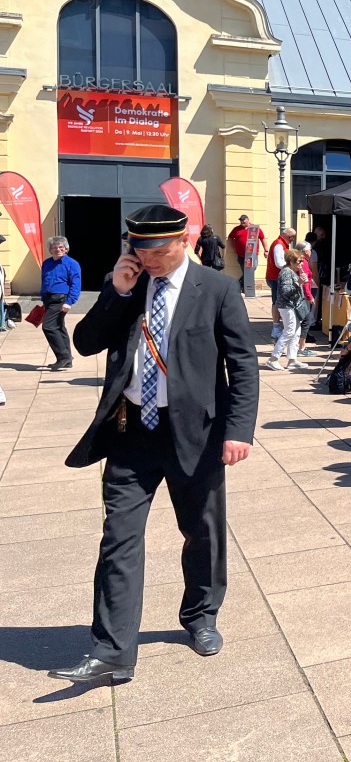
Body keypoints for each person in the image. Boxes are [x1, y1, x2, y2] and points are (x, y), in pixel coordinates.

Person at [49, 204, 257, 684]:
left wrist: (239, 430)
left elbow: (243, 365)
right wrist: (117, 294)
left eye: (161, 251)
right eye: (142, 250)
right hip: (130, 432)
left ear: (184, 240)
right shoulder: (127, 281)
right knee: (118, 538)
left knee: (201, 533)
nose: (152, 260)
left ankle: (201, 615)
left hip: (195, 434)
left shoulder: (218, 289)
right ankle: (112, 652)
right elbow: (85, 343)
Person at [40, 235, 81, 371]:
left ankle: (63, 357)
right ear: (50, 250)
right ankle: (67, 359)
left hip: (60, 299)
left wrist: (70, 302)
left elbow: (76, 283)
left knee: (48, 327)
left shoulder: (72, 264)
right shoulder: (46, 263)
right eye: (55, 247)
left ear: (66, 249)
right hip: (48, 299)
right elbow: (44, 281)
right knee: (58, 327)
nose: (58, 249)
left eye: (61, 247)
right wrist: (42, 298)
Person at [266, 249, 307, 371]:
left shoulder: (292, 272)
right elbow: (285, 291)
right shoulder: (286, 272)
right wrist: (299, 283)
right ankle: (273, 359)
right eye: (300, 261)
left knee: (296, 332)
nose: (301, 264)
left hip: (293, 306)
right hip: (287, 306)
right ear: (291, 261)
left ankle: (292, 360)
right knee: (289, 331)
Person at [264, 227, 296, 339]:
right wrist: (291, 267)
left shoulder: (281, 244)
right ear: (289, 237)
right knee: (277, 302)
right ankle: (276, 328)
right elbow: (279, 263)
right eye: (292, 238)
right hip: (276, 278)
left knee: (278, 302)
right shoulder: (279, 245)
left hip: (277, 277)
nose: (292, 240)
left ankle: (277, 327)